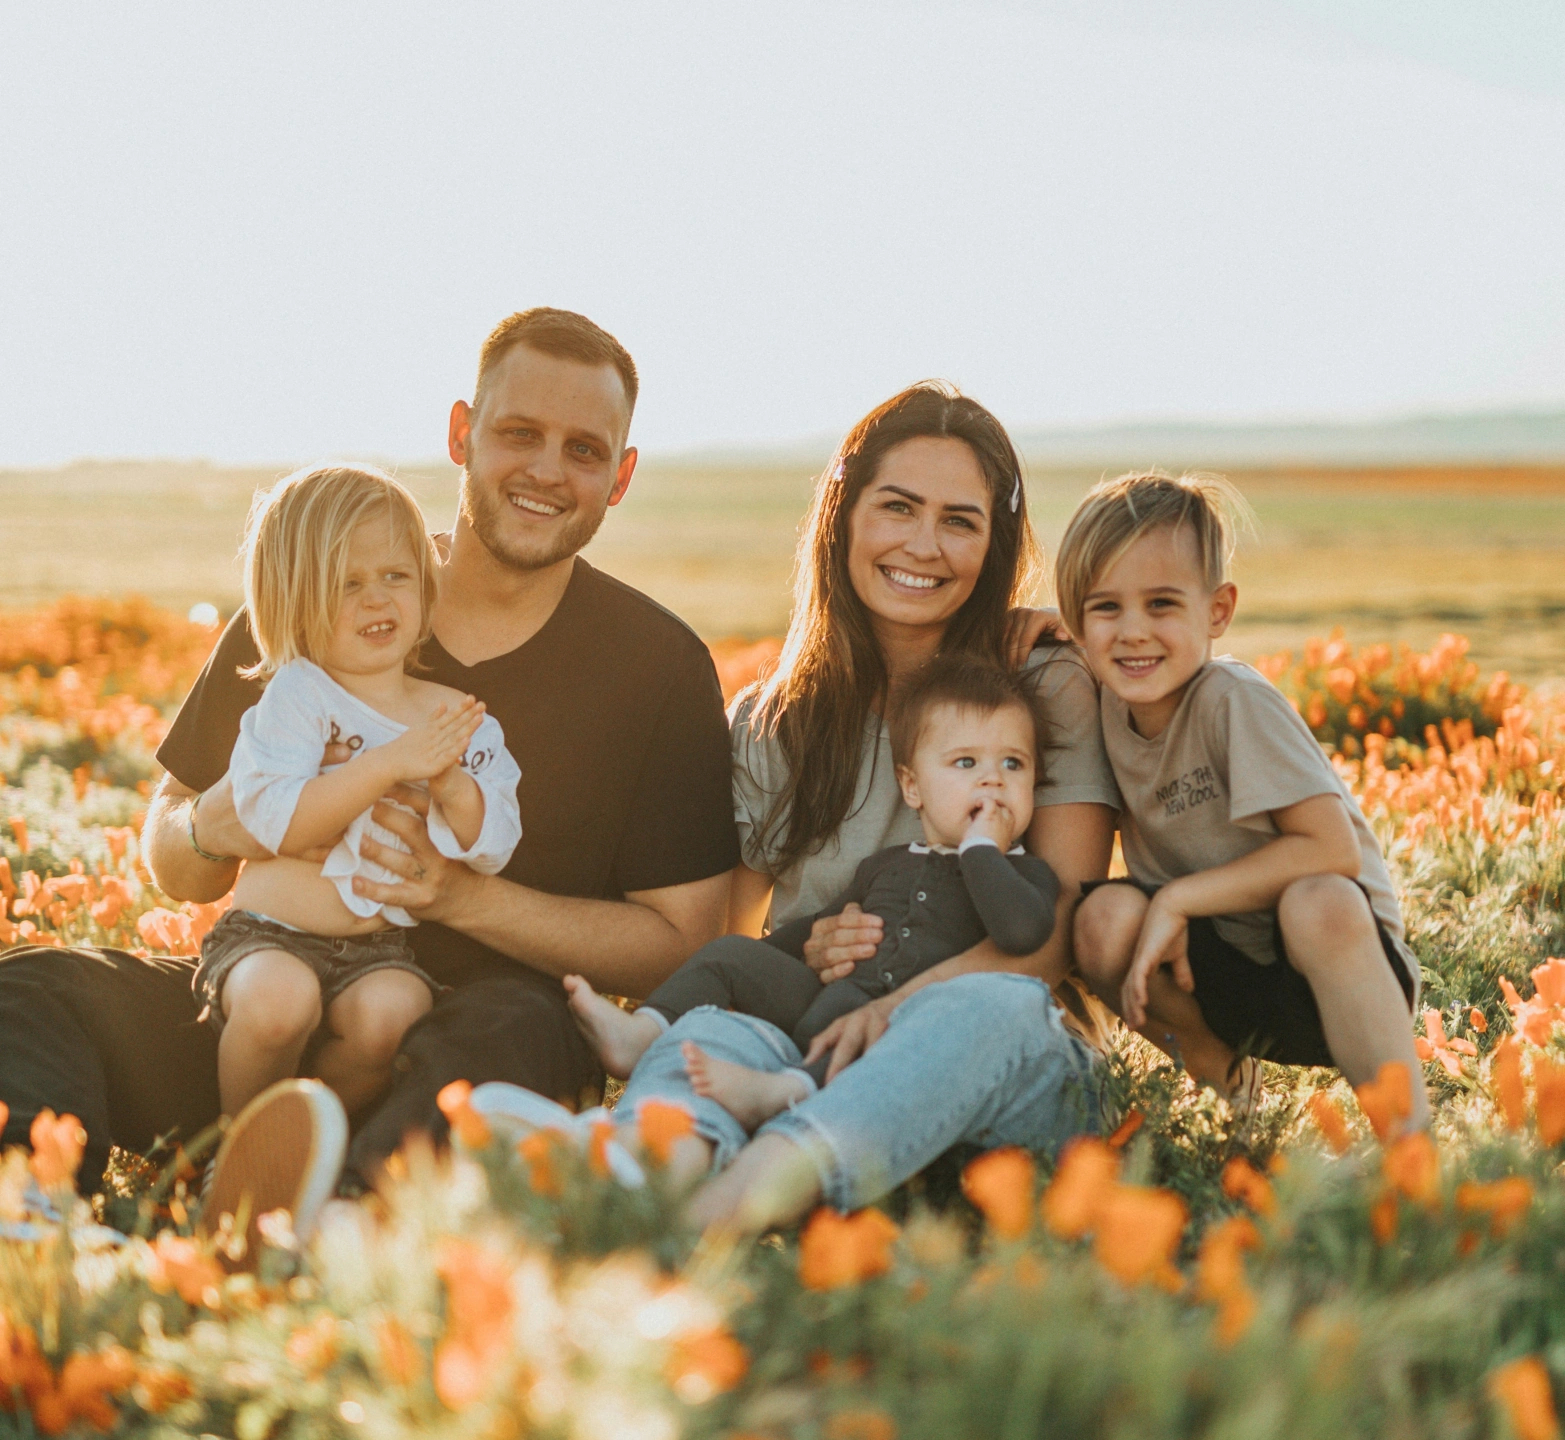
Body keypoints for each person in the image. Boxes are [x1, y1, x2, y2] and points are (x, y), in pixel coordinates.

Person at [0, 308, 739, 1221]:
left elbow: (685, 940)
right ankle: (29, 1226)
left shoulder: (655, 665)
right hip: (268, 1014)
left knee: (515, 1026)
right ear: (463, 434)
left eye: (584, 449)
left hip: (466, 1039)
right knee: (35, 988)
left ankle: (334, 1220)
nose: (547, 470)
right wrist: (210, 826)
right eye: (519, 434)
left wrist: (463, 899)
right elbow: (175, 849)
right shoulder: (320, 595)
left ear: (620, 477)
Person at [481, 381, 1122, 1232]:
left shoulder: (1041, 686)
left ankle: (721, 1211)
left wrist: (895, 1007)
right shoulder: (771, 721)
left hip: (1003, 1068)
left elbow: (1054, 938)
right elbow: (724, 934)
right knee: (718, 1024)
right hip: (813, 1052)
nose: (923, 545)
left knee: (983, 1008)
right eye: (897, 508)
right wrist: (808, 944)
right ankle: (639, 1165)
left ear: (992, 544)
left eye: (959, 521)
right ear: (842, 515)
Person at [1061, 470, 1429, 1131]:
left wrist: (1178, 897)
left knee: (1317, 900)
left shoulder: (1231, 701)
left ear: (1218, 612)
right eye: (1106, 608)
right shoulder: (1105, 710)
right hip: (1219, 976)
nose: (1132, 632)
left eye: (1162, 604)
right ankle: (1233, 1095)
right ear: (1076, 624)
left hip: (1332, 972)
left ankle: (1410, 1144)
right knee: (1099, 918)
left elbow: (1330, 848)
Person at [565, 652, 1059, 1130]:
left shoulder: (1027, 877)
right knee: (731, 954)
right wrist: (769, 960)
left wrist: (981, 851)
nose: (993, 780)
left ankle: (785, 1091)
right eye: (967, 763)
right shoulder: (886, 864)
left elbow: (1021, 931)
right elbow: (813, 929)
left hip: (906, 1029)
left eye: (1014, 765)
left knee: (863, 1033)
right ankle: (643, 1033)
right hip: (826, 1000)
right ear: (913, 787)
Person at [197, 465, 521, 1122]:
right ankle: (234, 1148)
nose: (377, 600)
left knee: (394, 1014)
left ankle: (310, 1145)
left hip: (378, 949)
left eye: (395, 577)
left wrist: (450, 784)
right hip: (267, 935)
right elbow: (278, 824)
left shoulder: (455, 715)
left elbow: (492, 846)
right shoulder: (297, 695)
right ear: (293, 601)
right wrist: (389, 764)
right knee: (278, 1004)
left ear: (426, 588)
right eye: (347, 584)